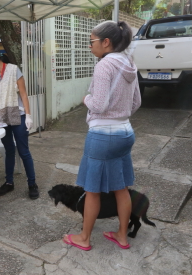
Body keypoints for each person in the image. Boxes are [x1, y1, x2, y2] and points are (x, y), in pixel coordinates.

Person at [62, 21, 141, 251]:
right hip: (125, 132)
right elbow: (137, 102)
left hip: (103, 136)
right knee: (121, 187)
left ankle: (84, 238)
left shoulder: (105, 65)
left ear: (106, 43)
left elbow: (98, 104)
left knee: (92, 190)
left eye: (91, 41)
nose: (89, 46)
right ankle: (122, 236)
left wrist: (85, 99)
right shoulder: (129, 63)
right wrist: (120, 115)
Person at [0, 43, 39, 200]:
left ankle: (32, 184)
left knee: (24, 151)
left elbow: (24, 94)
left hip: (18, 115)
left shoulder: (13, 70)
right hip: (2, 118)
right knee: (8, 150)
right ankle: (9, 182)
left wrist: (29, 115)